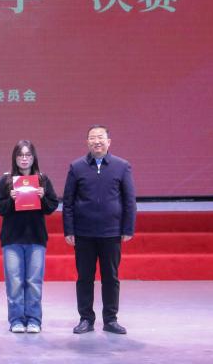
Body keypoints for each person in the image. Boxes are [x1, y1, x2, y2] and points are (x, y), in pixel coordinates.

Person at [63, 125, 137, 335]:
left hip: (111, 232)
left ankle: (110, 319)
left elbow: (129, 200)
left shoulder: (122, 166)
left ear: (108, 142)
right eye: (93, 138)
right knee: (84, 277)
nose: (97, 141)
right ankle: (86, 319)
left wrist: (128, 228)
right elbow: (68, 202)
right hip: (84, 233)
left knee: (110, 278)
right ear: (87, 142)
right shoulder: (76, 167)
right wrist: (69, 230)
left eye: (101, 137)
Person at [0, 140, 59, 333]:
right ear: (15, 158)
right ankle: (16, 320)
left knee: (34, 282)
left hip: (36, 239)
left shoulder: (42, 180)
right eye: (20, 155)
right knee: (14, 282)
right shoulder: (6, 180)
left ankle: (34, 320)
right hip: (12, 239)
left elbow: (51, 206)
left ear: (33, 157)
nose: (24, 159)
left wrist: (43, 197)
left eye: (28, 155)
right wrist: (11, 200)